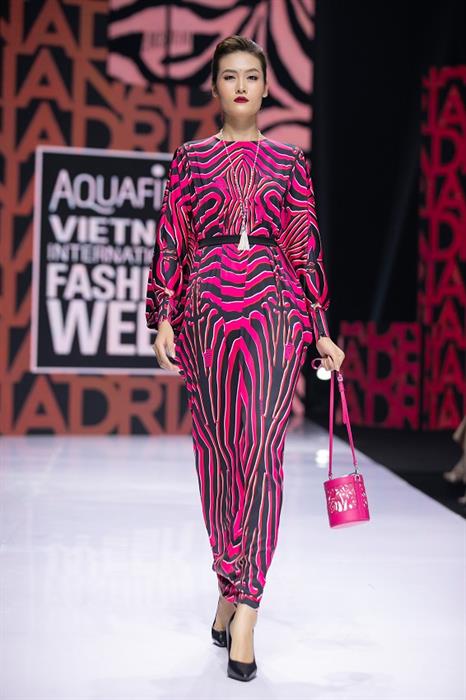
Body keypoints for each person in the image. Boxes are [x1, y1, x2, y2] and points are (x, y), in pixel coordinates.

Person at [145, 35, 345, 681]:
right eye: (228, 76)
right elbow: (171, 241)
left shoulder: (290, 162)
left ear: (265, 87)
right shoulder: (190, 159)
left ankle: (248, 607)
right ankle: (226, 581)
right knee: (217, 455)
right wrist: (162, 316)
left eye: (250, 76)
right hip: (204, 316)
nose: (240, 86)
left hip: (272, 315)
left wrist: (320, 328)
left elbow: (304, 247)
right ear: (214, 87)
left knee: (260, 452)